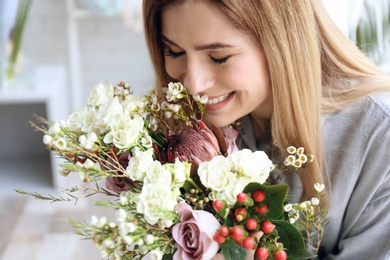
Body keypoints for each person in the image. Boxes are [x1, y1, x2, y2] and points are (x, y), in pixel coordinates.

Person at [142, 0, 390, 259]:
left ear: (281, 42)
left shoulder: (380, 136)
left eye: (219, 57)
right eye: (174, 52)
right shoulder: (179, 132)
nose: (193, 86)